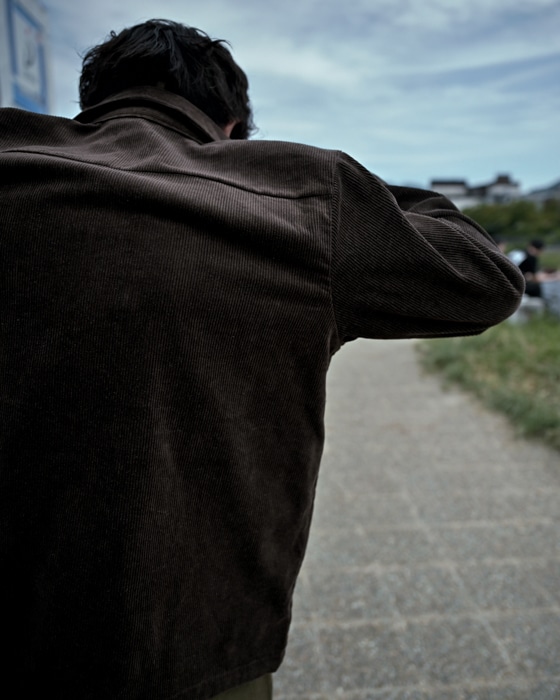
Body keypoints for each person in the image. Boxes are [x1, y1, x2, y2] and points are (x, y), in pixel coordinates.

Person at [0, 19, 525, 700]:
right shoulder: (297, 200)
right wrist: (337, 190)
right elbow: (487, 277)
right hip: (195, 648)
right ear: (231, 124)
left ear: (91, 104)